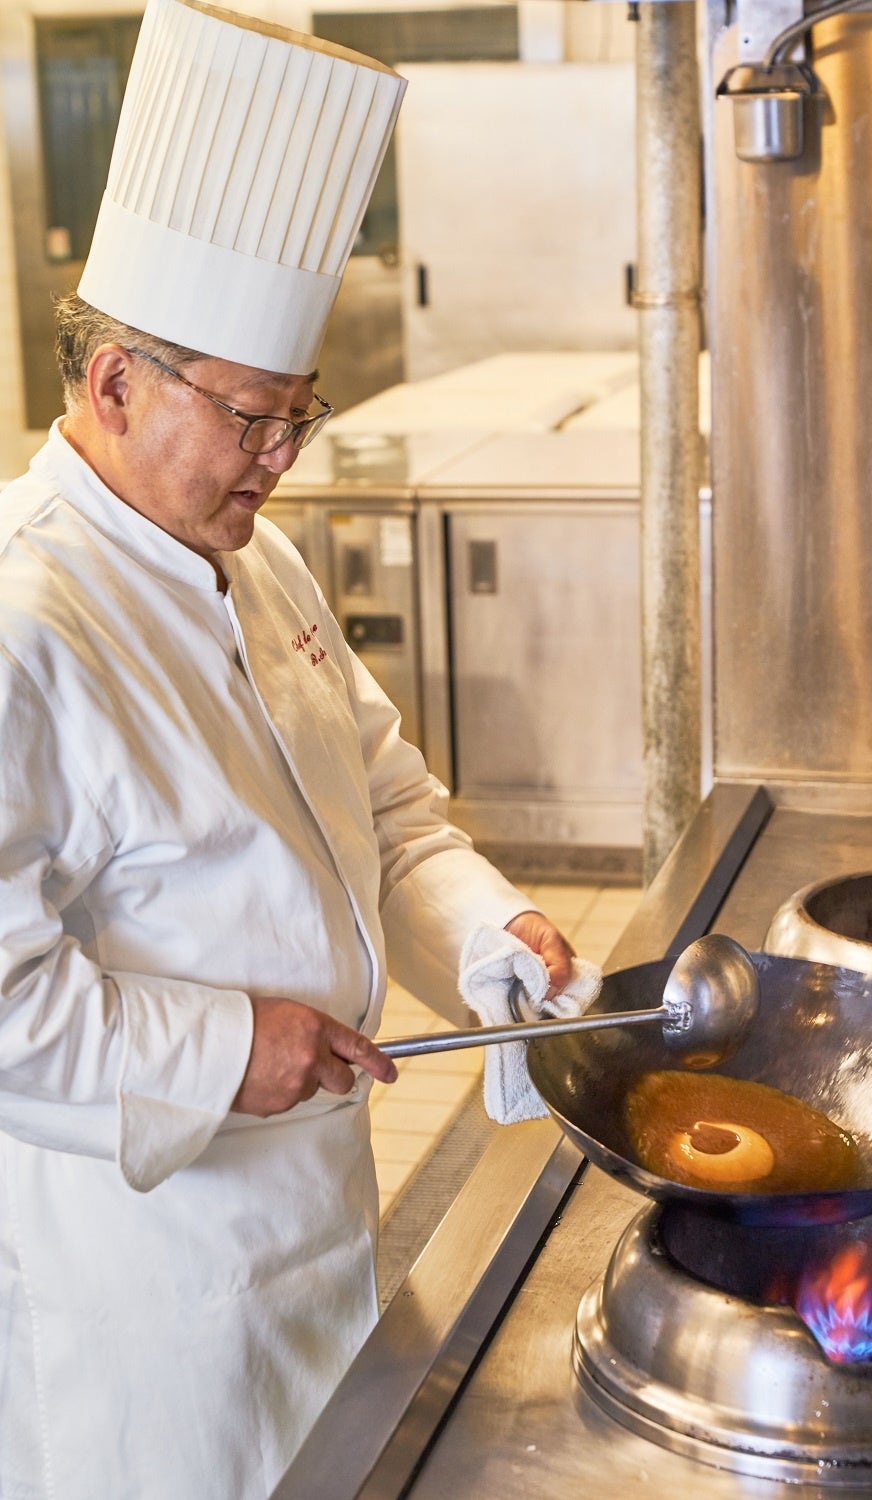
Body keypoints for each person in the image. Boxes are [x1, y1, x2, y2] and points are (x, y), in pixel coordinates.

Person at [0, 2, 577, 1495]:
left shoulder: (256, 563)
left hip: (324, 1216)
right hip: (151, 1288)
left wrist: (489, 931)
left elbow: (386, 813)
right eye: (250, 418)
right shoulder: (26, 619)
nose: (278, 461)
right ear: (112, 379)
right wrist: (225, 1046)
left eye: (294, 420)